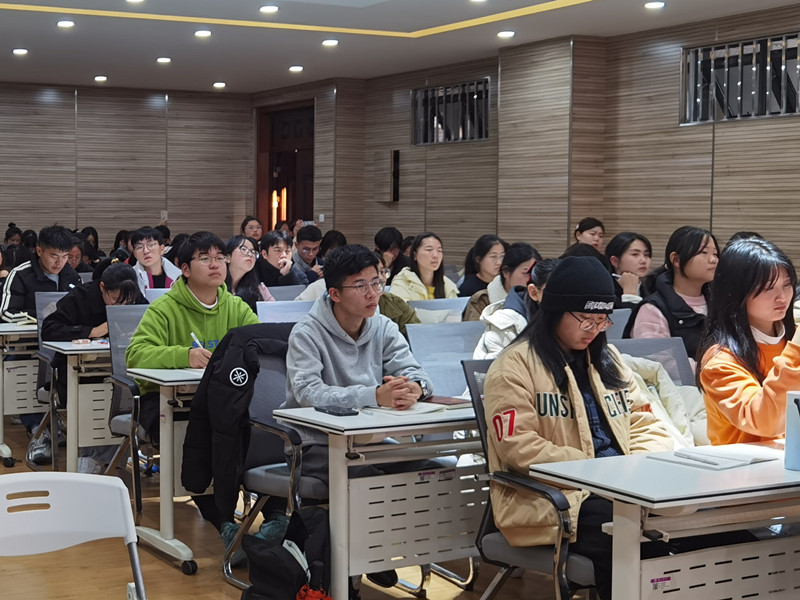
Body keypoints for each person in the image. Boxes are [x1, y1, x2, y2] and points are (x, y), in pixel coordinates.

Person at [482, 256, 673, 600]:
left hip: (623, 487)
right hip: (552, 499)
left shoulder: (608, 360)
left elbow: (646, 422)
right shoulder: (513, 367)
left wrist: (642, 470)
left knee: (693, 525)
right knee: (627, 533)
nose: (594, 329)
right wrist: (597, 473)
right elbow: (518, 448)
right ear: (555, 310)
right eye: (585, 319)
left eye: (602, 320)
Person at [282, 243, 435, 594]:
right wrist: (373, 396)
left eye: (377, 282)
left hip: (373, 442)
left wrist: (416, 388)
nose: (372, 293)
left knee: (432, 470)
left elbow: (414, 370)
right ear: (334, 293)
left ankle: (383, 553)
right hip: (318, 447)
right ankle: (357, 564)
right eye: (360, 285)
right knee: (370, 483)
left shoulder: (382, 326)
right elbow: (309, 393)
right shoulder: (307, 333)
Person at [127, 231, 260, 442]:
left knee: (256, 425)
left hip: (223, 395)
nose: (215, 265)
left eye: (220, 258)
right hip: (167, 399)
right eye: (205, 259)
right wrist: (185, 356)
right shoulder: (164, 308)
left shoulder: (236, 307)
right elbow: (136, 354)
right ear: (186, 269)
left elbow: (260, 344)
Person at [42, 259, 147, 471]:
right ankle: (93, 458)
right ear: (102, 287)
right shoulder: (80, 297)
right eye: (115, 300)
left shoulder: (132, 296)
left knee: (132, 395)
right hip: (78, 373)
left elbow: (148, 322)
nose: (122, 306)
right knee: (96, 399)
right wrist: (91, 331)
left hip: (119, 371)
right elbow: (49, 329)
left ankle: (102, 458)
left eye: (127, 301)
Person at [698, 237, 799, 446]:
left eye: (787, 284)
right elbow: (763, 420)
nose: (782, 297)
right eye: (768, 288)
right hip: (744, 463)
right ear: (737, 293)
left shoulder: (791, 341)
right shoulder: (720, 362)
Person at [0, 224, 81, 459]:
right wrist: (43, 317)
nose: (60, 262)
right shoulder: (21, 274)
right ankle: (38, 429)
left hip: (63, 345)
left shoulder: (71, 275)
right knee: (28, 368)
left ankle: (63, 423)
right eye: (54, 255)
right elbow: (6, 312)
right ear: (39, 250)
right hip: (27, 346)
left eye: (64, 256)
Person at [628, 226, 719, 366]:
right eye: (703, 252)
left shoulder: (719, 303)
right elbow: (661, 364)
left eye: (715, 254)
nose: (714, 260)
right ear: (676, 260)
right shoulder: (652, 309)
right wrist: (716, 372)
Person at [473, 258, 559, 359]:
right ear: (534, 293)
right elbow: (493, 368)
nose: (565, 299)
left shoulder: (570, 317)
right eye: (556, 292)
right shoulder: (505, 326)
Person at [463, 242, 540, 321]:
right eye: (526, 273)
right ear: (505, 272)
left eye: (535, 273)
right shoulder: (481, 301)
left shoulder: (540, 298)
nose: (531, 279)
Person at [389, 232, 458, 301]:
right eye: (429, 250)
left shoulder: (447, 285)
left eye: (439, 250)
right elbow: (397, 307)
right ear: (415, 255)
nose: (435, 255)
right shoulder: (402, 283)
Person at [225, 235, 273, 312]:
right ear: (227, 257)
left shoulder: (259, 289)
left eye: (253, 252)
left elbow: (275, 312)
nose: (250, 254)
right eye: (243, 249)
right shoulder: (214, 287)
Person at [605, 232, 652, 307]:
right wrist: (629, 295)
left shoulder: (653, 286)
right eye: (635, 254)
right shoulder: (604, 291)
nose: (643, 260)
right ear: (615, 261)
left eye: (646, 255)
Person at [129, 226, 182, 295]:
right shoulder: (129, 278)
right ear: (135, 254)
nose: (146, 251)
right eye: (139, 247)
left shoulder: (179, 277)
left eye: (151, 245)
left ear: (162, 249)